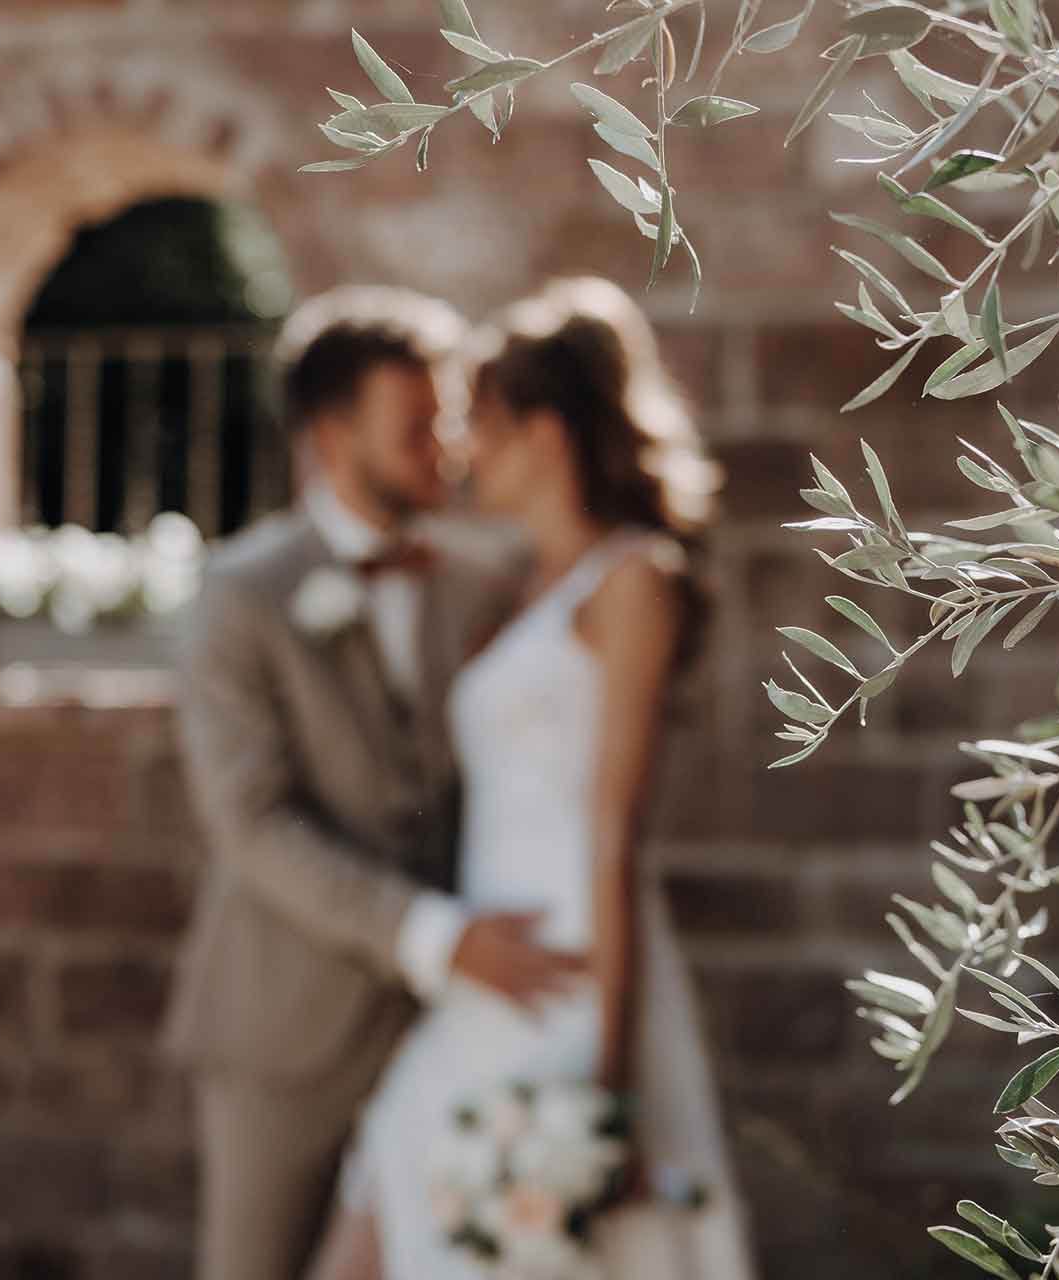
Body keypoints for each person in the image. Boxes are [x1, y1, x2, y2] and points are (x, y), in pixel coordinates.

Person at [308, 277, 752, 1280]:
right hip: (483, 966)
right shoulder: (513, 588)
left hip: (568, 972)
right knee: (367, 1238)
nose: (464, 455)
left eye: (484, 427)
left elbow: (613, 829)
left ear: (548, 434)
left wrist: (612, 1086)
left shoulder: (635, 579)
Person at [163, 286, 584, 1280]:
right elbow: (253, 823)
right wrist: (437, 937)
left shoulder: (482, 579)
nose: (445, 446)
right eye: (415, 425)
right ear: (331, 431)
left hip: (462, 1030)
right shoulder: (237, 596)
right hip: (287, 1028)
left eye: (450, 419)